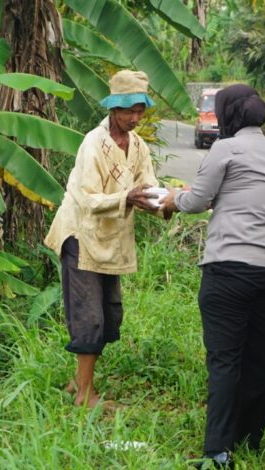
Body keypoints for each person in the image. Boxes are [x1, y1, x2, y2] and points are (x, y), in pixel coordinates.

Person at [160, 84, 265, 467]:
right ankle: (250, 439)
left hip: (230, 268)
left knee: (224, 359)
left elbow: (197, 200)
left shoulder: (225, 148)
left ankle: (217, 451)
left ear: (228, 114)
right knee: (255, 356)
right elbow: (238, 195)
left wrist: (171, 199)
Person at [44, 70, 169, 408]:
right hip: (81, 235)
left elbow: (147, 186)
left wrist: (166, 204)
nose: (135, 118)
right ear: (114, 108)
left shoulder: (138, 146)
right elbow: (87, 199)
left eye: (140, 110)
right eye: (129, 111)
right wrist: (127, 198)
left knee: (109, 313)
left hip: (110, 239)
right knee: (89, 315)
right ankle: (85, 394)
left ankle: (77, 381)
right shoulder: (93, 144)